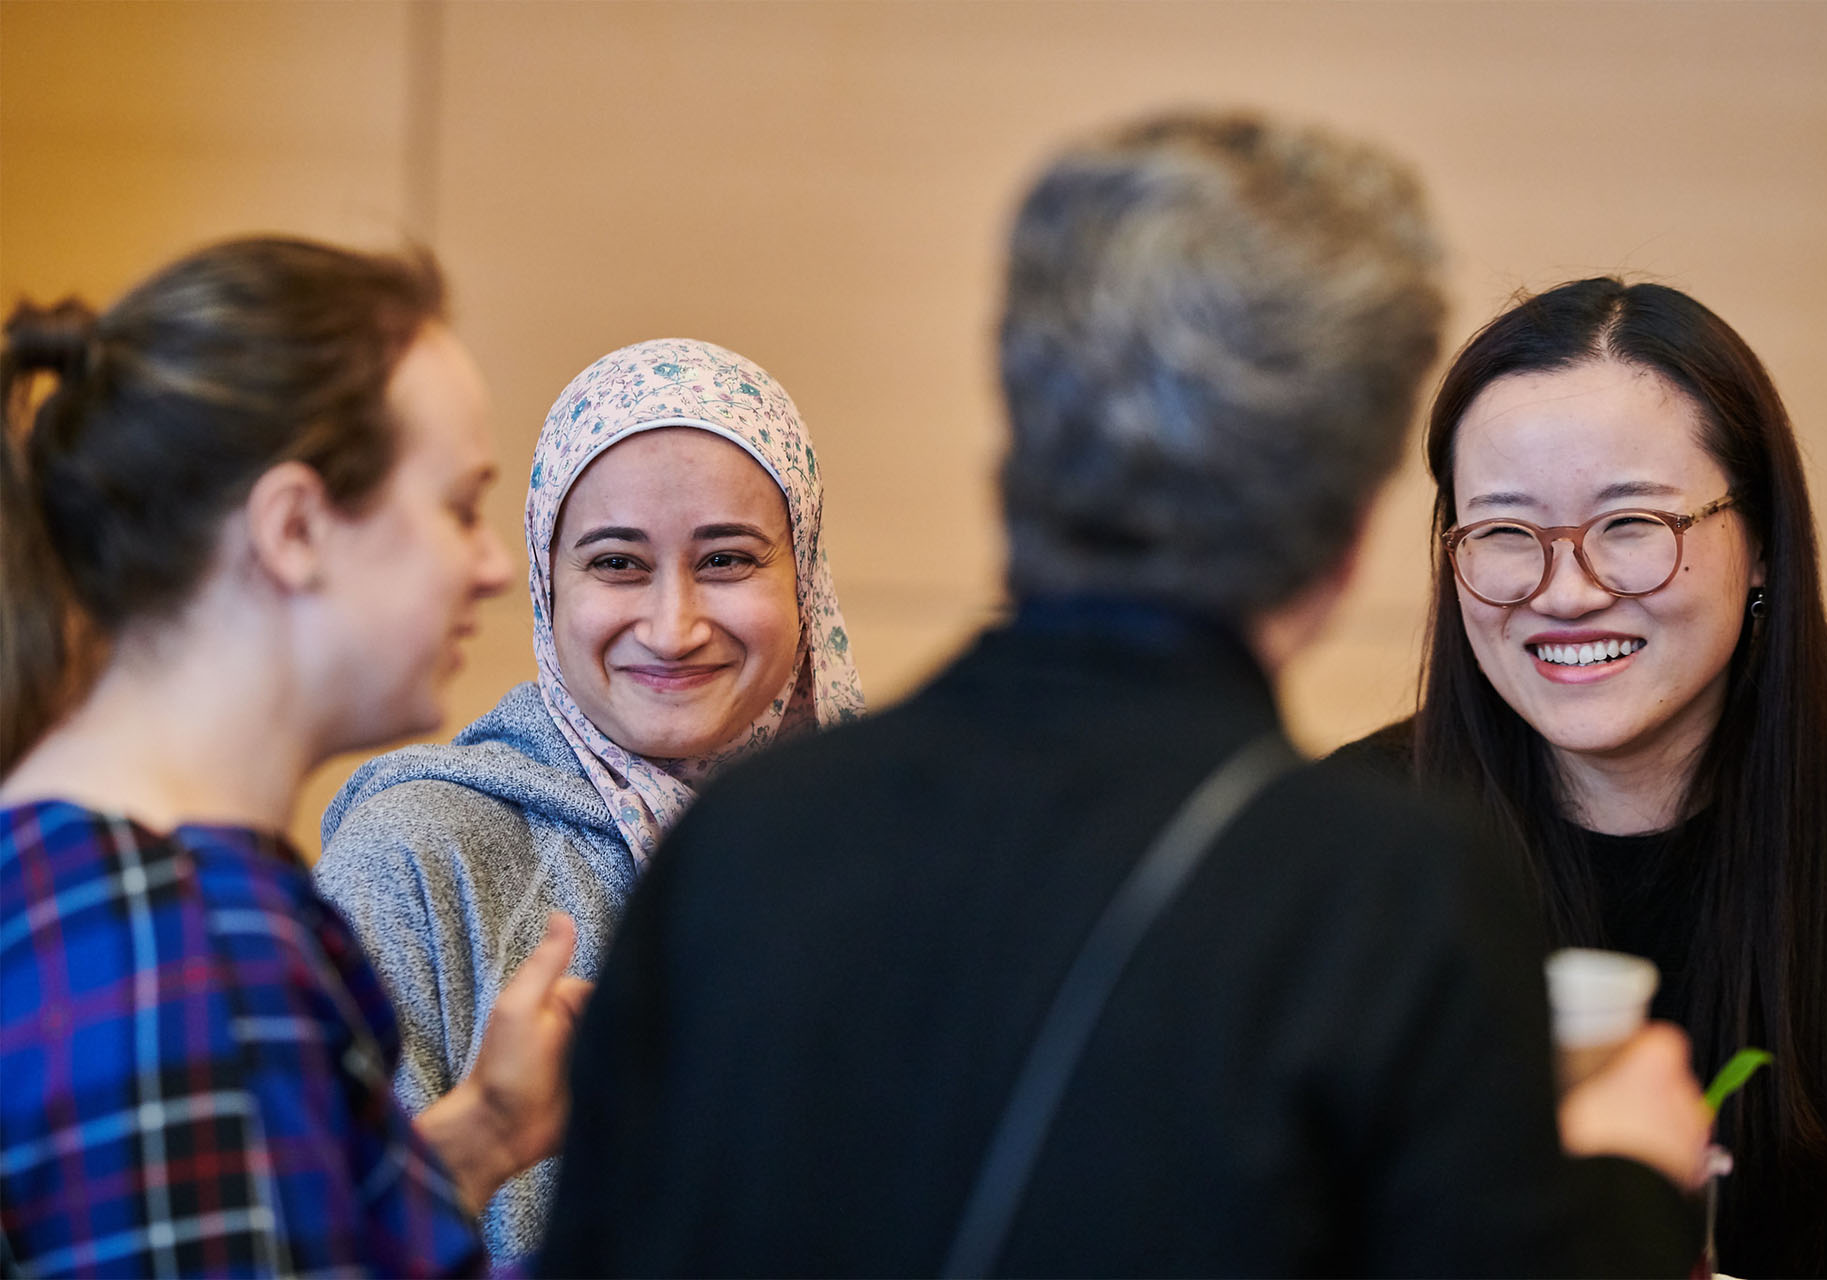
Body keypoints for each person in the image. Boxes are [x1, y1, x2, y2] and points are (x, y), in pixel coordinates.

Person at [538, 113, 1711, 1278]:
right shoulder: (1380, 889)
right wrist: (1624, 1195)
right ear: (1349, 540)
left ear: (1014, 471)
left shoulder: (746, 839)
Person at [0, 236, 589, 1275]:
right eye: (460, 508)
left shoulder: (115, 880)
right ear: (295, 527)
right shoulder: (181, 948)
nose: (497, 566)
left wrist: (488, 1130)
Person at [1334, 277, 1827, 1278]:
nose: (1567, 591)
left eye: (1633, 523)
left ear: (1763, 537)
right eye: (1506, 533)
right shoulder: (1346, 851)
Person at [315, 336, 863, 1261]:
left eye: (727, 560)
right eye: (616, 564)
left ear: (803, 579)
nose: (672, 625)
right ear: (547, 584)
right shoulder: (412, 861)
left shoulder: (884, 853)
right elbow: (323, 1241)